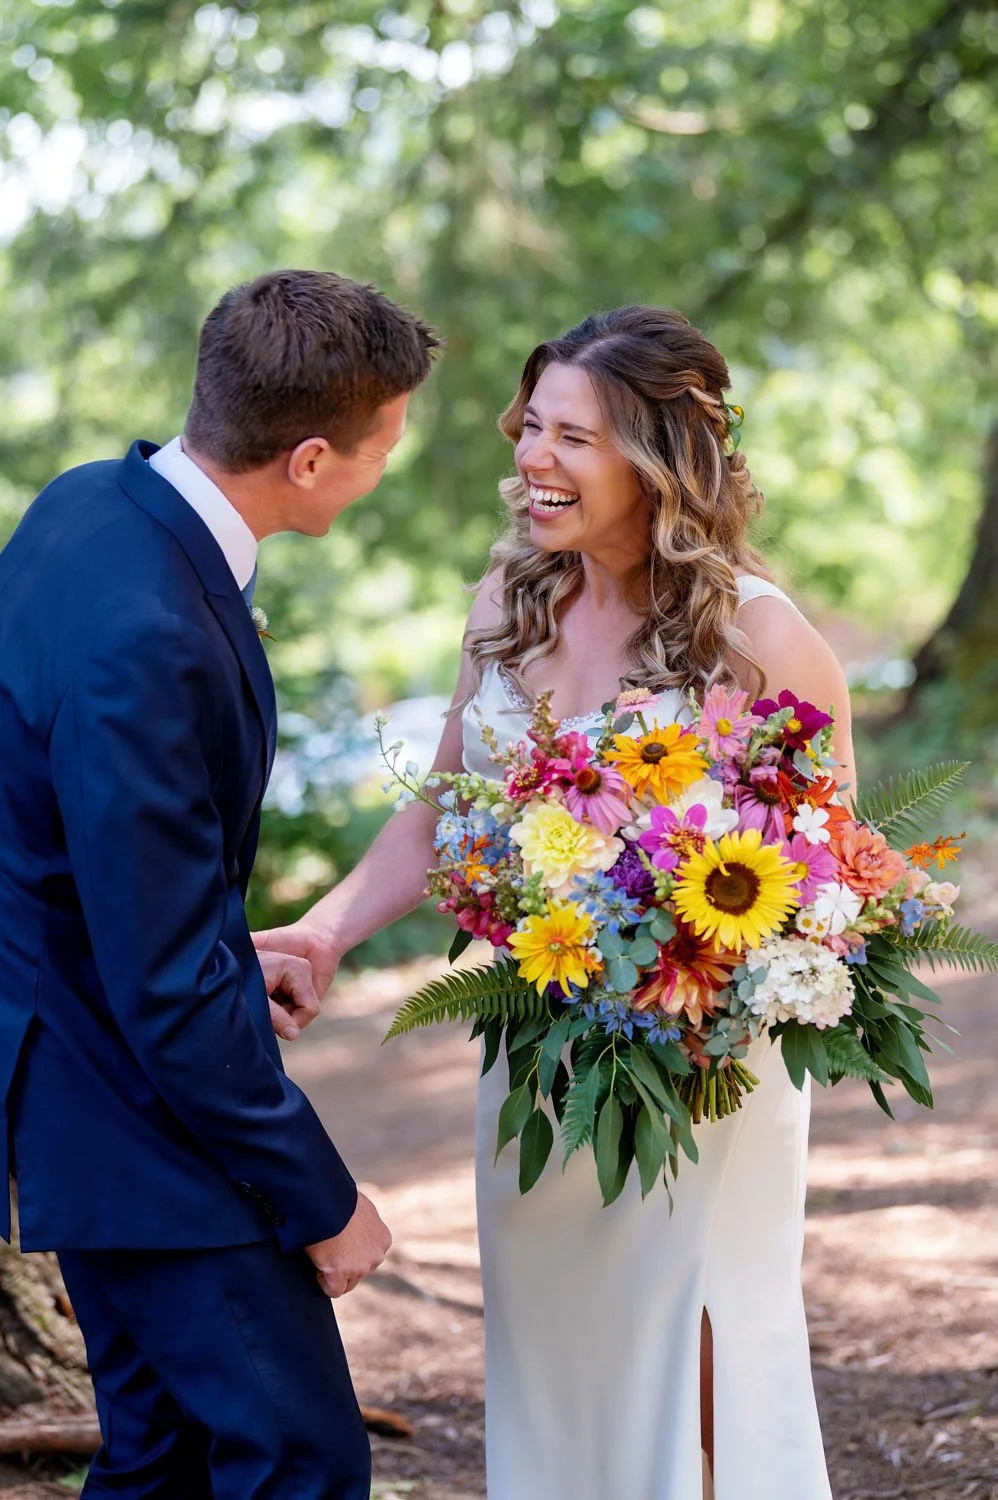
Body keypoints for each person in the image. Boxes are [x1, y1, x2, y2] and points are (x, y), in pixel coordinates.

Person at [257, 305, 852, 1499]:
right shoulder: (506, 607)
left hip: (700, 1062)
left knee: (690, 1332)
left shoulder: (755, 637)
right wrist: (323, 930)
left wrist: (682, 967)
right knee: (550, 1338)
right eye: (530, 427)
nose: (533, 458)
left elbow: (826, 881)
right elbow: (441, 809)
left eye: (573, 437)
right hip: (533, 1046)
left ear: (660, 457)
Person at [0, 269, 438, 1499]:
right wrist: (320, 1198)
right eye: (383, 441)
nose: (386, 464)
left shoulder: (90, 507)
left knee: (166, 1461)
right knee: (295, 1459)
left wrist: (216, 941)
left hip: (80, 1073)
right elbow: (163, 984)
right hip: (134, 1113)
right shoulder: (150, 627)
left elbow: (56, 829)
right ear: (308, 459)